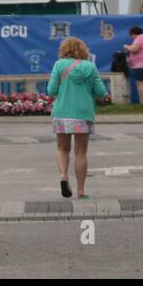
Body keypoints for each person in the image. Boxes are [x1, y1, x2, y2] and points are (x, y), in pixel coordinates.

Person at [47, 36, 110, 199]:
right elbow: (101, 92)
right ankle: (81, 190)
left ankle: (63, 177)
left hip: (62, 113)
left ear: (64, 50)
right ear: (83, 50)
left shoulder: (59, 65)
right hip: (83, 113)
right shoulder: (90, 67)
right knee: (81, 152)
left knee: (62, 148)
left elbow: (51, 90)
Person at [123, 25, 143, 105]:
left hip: (141, 64)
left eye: (131, 35)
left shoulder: (140, 38)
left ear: (134, 33)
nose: (131, 37)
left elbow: (134, 49)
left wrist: (126, 46)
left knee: (140, 83)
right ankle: (142, 102)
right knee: (140, 82)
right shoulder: (142, 38)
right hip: (141, 64)